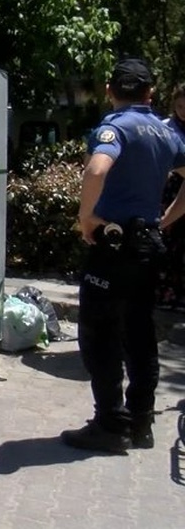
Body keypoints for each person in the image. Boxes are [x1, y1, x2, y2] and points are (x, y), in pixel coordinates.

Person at [64, 59, 185, 454]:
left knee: (99, 335)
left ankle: (110, 426)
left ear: (109, 90)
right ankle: (141, 422)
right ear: (150, 93)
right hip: (148, 245)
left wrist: (86, 219)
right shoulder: (167, 133)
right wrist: (164, 221)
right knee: (140, 333)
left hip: (113, 247)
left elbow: (96, 170)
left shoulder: (114, 127)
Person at [157, 84, 185, 309]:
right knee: (169, 239)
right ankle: (167, 293)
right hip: (170, 187)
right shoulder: (166, 128)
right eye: (179, 106)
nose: (183, 111)